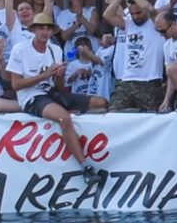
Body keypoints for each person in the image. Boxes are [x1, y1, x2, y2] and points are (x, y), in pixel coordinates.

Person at [7, 11, 108, 171]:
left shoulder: (55, 49)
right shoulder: (20, 49)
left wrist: (59, 75)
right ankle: (85, 165)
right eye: (41, 28)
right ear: (33, 30)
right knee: (63, 118)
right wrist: (44, 75)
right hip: (31, 96)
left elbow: (60, 86)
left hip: (52, 93)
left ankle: (84, 138)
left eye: (48, 28)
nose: (45, 32)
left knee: (101, 103)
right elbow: (16, 85)